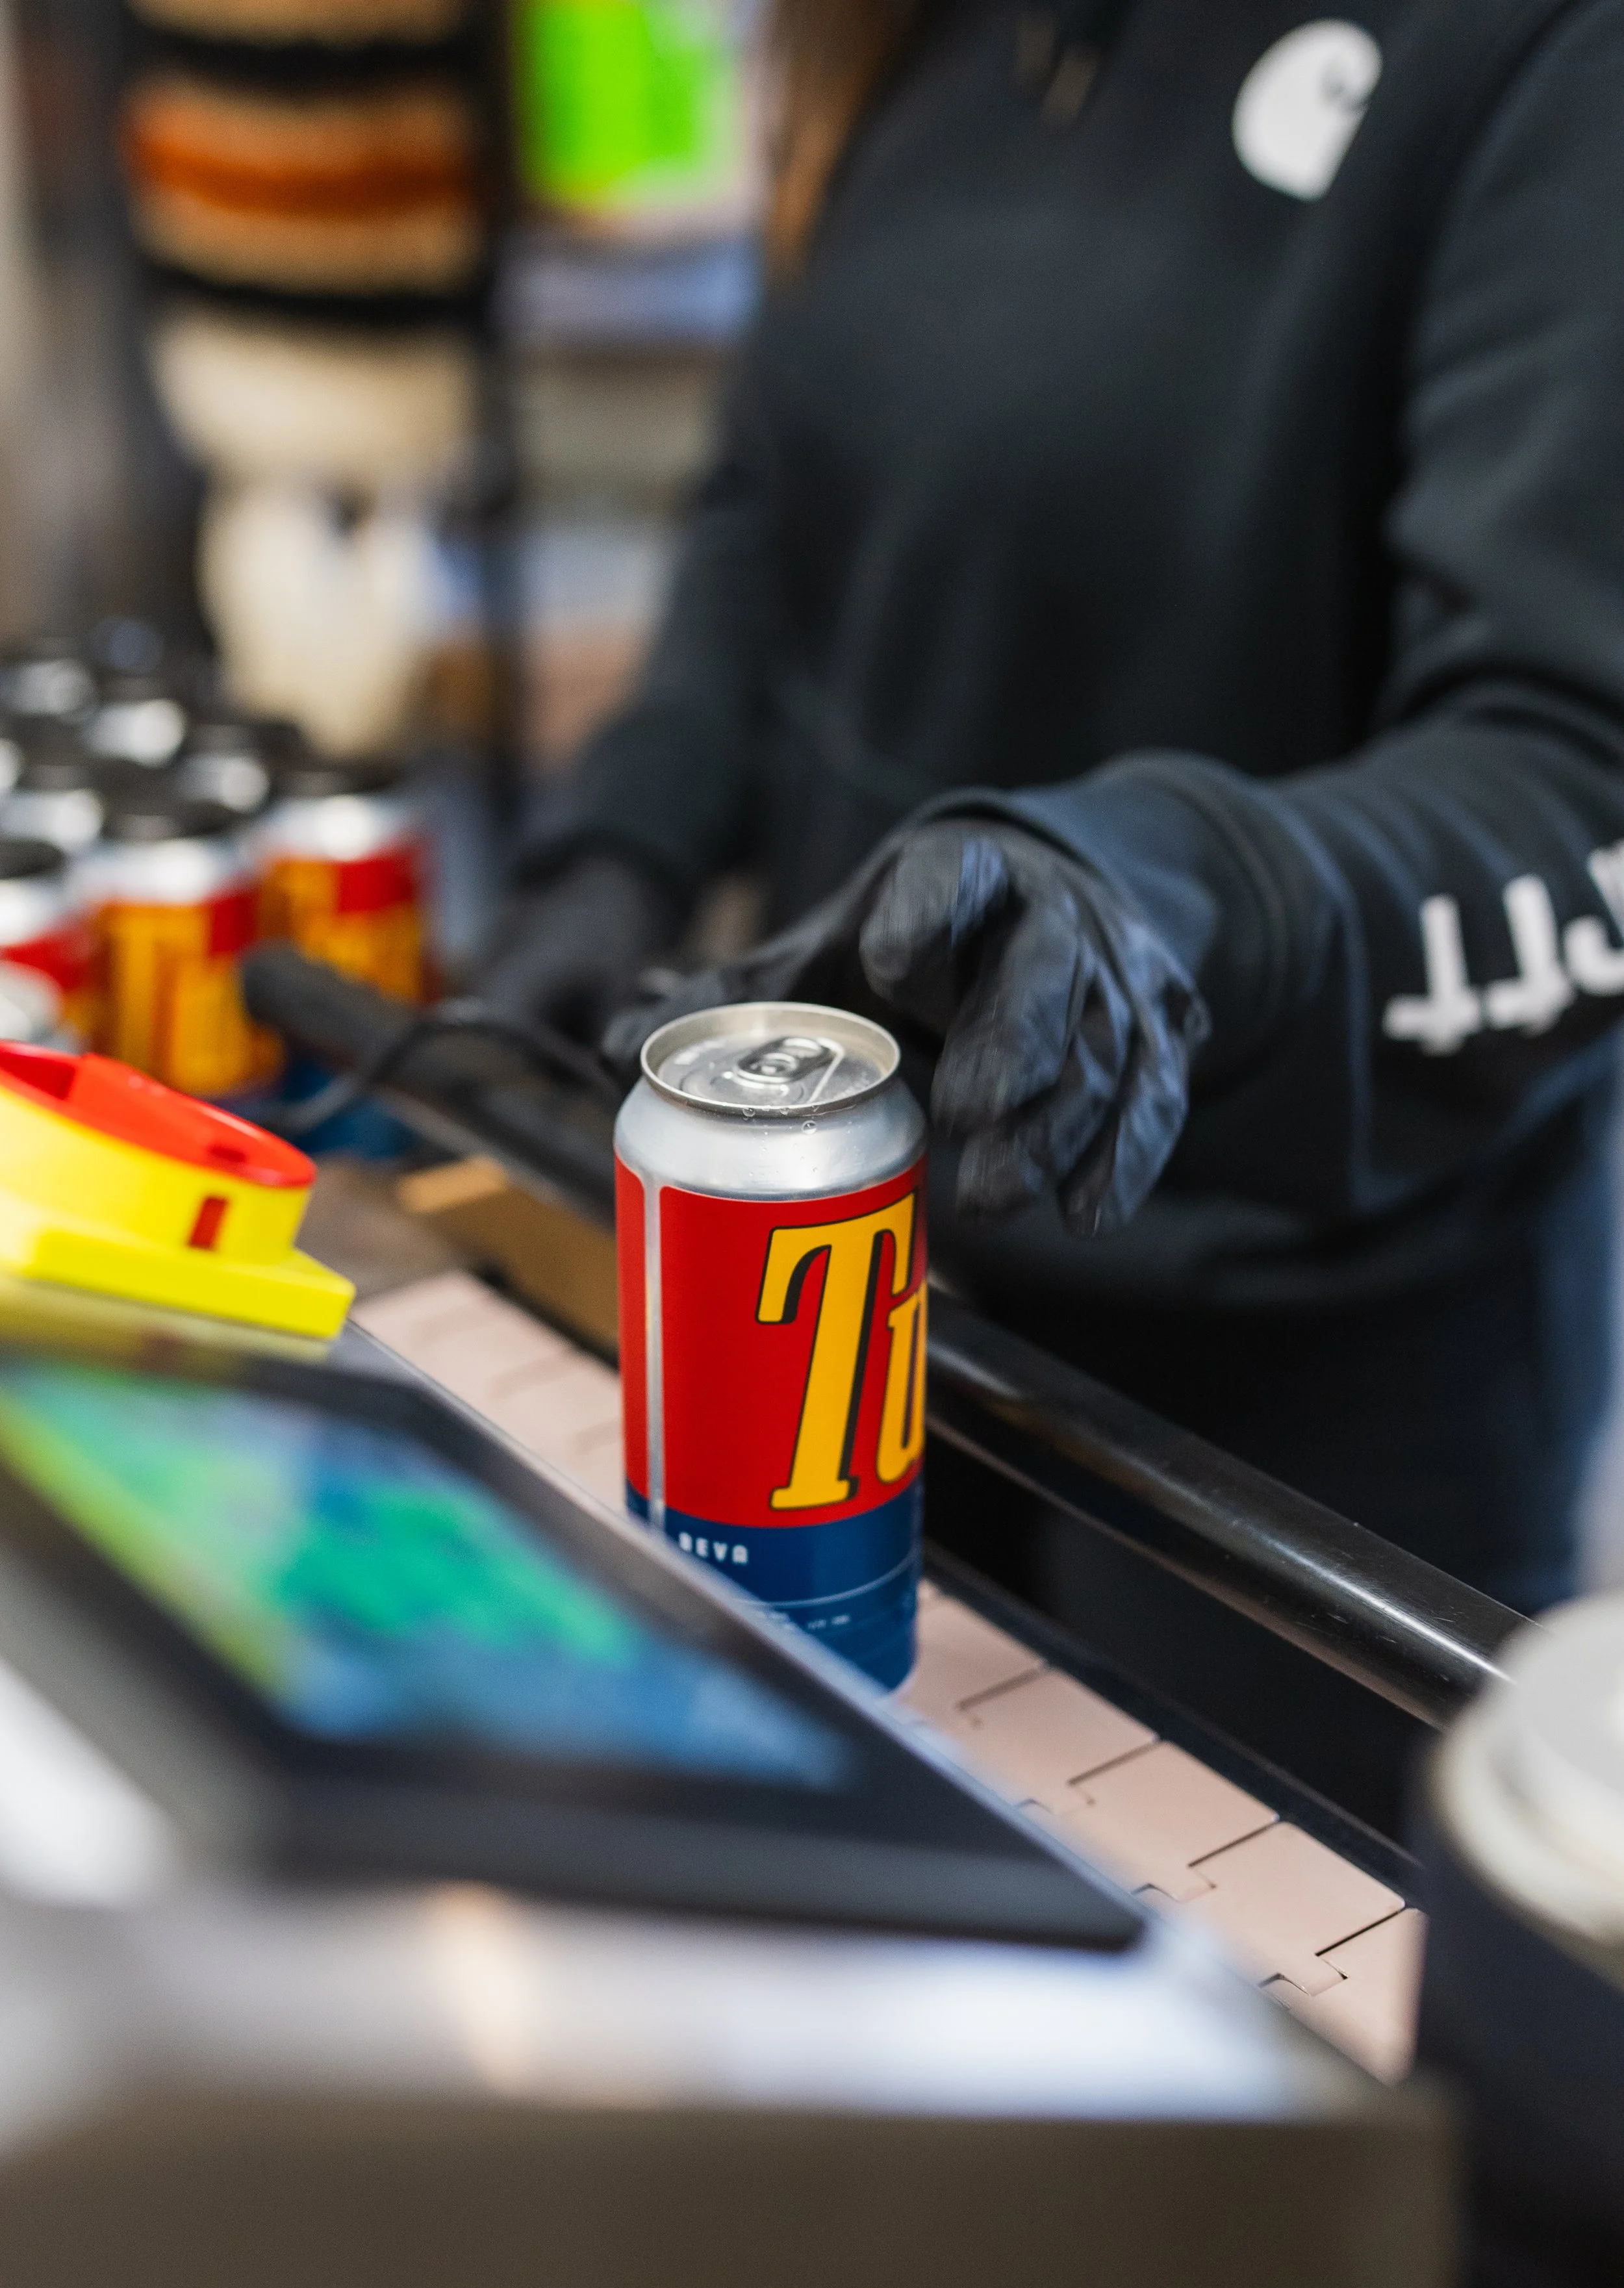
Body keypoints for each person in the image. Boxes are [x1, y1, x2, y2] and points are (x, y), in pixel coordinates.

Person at [486, 0, 1624, 1613]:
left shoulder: (1548, 54)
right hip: (863, 1290)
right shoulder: (907, 33)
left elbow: (1568, 772)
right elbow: (776, 496)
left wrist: (1161, 884)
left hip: (1302, 1404)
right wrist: (618, 847)